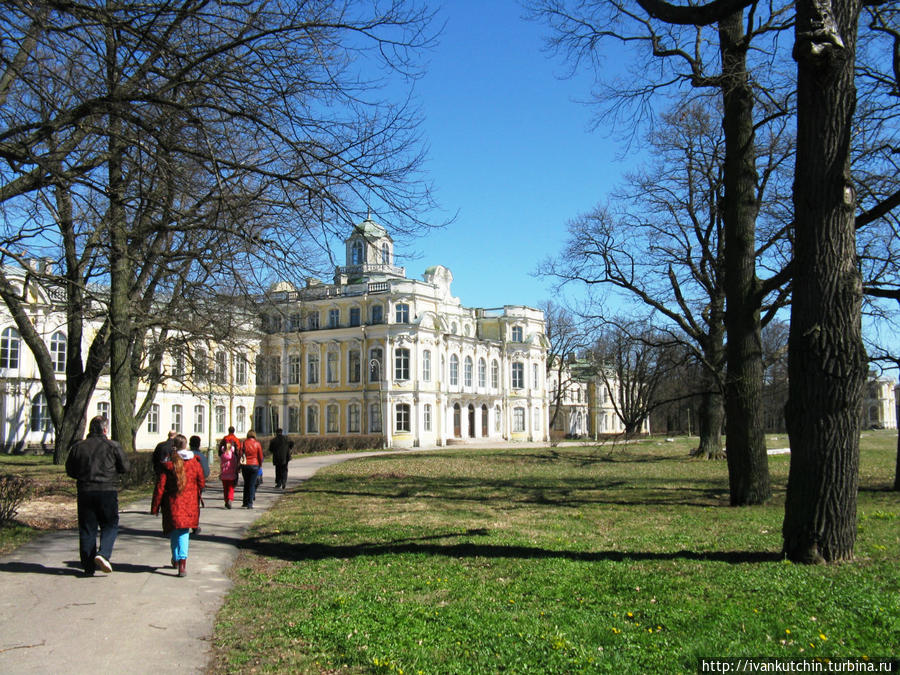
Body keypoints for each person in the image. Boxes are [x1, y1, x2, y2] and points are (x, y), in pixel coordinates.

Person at [65, 416, 129, 576]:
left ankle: (88, 566)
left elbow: (70, 470)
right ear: (105, 429)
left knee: (87, 528)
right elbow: (125, 467)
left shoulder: (79, 447)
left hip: (85, 490)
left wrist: (83, 475)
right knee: (110, 524)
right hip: (107, 490)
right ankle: (103, 554)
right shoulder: (113, 446)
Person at [150, 434, 205, 577]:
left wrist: (155, 506)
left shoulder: (169, 464)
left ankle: (176, 558)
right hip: (189, 503)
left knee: (175, 531)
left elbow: (160, 486)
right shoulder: (194, 463)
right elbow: (201, 482)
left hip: (172, 503)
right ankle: (182, 562)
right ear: (185, 445)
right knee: (184, 532)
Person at [188, 435, 209, 534]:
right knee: (195, 505)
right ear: (199, 444)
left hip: (185, 484)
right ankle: (194, 525)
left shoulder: (186, 455)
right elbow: (206, 472)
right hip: (196, 485)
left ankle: (185, 523)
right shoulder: (201, 457)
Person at [240, 429, 263, 508]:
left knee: (246, 483)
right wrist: (260, 464)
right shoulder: (257, 444)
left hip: (245, 465)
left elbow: (240, 454)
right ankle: (250, 503)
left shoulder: (243, 443)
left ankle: (245, 502)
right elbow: (260, 456)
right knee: (252, 484)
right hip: (254, 465)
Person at [217, 435, 240, 509]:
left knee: (225, 489)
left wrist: (221, 473)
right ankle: (230, 499)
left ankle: (226, 500)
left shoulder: (223, 456)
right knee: (231, 488)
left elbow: (221, 465)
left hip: (224, 475)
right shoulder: (233, 457)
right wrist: (236, 471)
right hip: (231, 475)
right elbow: (235, 465)